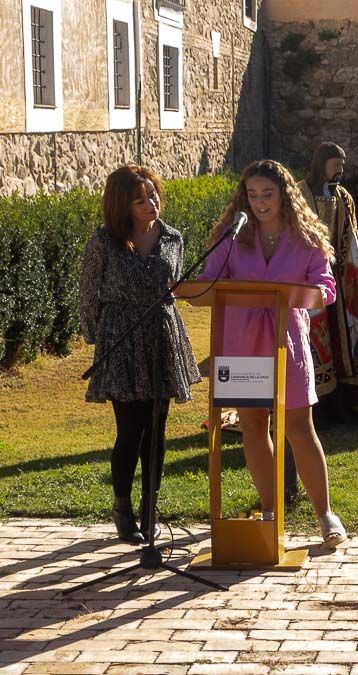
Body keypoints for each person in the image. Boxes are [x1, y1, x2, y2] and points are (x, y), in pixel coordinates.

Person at [198, 160, 347, 549]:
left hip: (286, 344)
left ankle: (325, 516)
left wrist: (308, 293)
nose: (260, 203)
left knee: (299, 428)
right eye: (253, 195)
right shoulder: (234, 234)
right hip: (240, 344)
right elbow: (206, 280)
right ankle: (270, 511)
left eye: (268, 194)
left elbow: (325, 287)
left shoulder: (306, 238)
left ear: (284, 194)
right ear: (243, 198)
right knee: (252, 427)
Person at [80, 165, 201, 544]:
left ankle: (151, 509)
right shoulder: (103, 242)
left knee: (157, 429)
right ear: (122, 205)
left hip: (162, 337)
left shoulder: (173, 239)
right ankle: (122, 507)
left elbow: (175, 286)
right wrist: (94, 336)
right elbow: (88, 293)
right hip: (122, 339)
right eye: (140, 199)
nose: (151, 204)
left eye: (153, 195)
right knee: (130, 430)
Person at [298, 142, 358, 424]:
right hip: (309, 280)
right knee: (314, 341)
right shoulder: (299, 193)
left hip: (340, 282)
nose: (340, 171)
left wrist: (357, 276)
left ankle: (344, 403)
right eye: (336, 165)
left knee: (343, 339)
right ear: (322, 164)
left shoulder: (344, 197)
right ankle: (316, 408)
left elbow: (353, 237)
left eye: (342, 166)